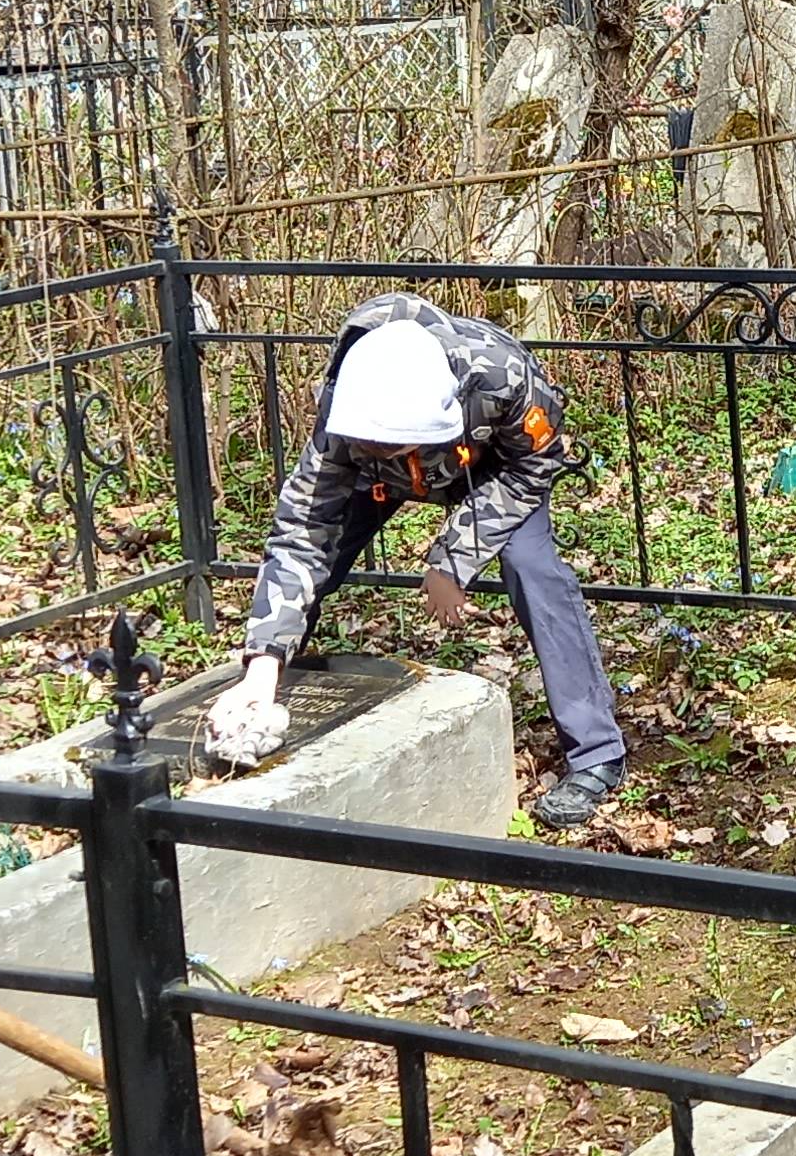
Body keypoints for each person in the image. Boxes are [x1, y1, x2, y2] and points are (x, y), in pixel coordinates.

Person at [200, 295, 626, 828]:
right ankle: (262, 701)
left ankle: (596, 754)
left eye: (398, 446)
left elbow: (535, 464)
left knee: (533, 570)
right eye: (375, 446)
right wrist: (262, 662)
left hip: (492, 470)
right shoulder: (347, 406)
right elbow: (302, 534)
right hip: (376, 486)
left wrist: (453, 559)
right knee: (319, 561)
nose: (389, 451)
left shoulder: (502, 374)